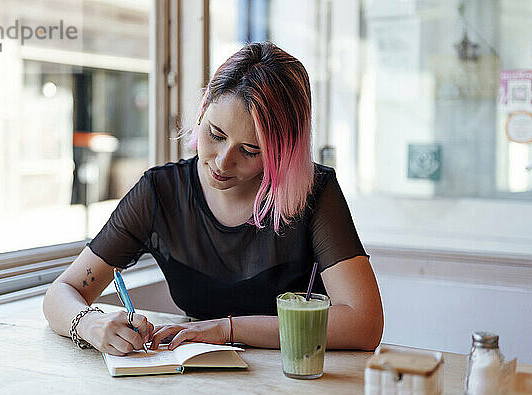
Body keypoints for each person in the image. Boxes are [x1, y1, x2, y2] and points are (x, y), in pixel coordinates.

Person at [43, 41, 383, 356]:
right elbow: (62, 292)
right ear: (203, 109)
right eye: (215, 134)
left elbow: (364, 324)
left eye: (250, 150)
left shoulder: (315, 191)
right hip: (194, 377)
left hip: (291, 379)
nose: (222, 161)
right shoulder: (160, 192)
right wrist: (88, 323)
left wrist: (227, 329)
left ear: (284, 153)